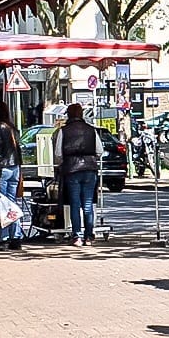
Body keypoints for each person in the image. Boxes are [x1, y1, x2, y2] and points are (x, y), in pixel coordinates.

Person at [58, 103, 101, 245]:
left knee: (74, 203)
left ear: (68, 114)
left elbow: (58, 153)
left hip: (71, 169)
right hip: (90, 169)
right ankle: (89, 236)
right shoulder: (91, 130)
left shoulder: (63, 131)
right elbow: (99, 151)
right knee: (88, 203)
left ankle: (77, 236)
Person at [0, 102, 23, 249]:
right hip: (15, 168)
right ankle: (16, 236)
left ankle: (4, 237)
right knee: (12, 203)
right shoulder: (13, 128)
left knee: (1, 204)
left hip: (2, 169)